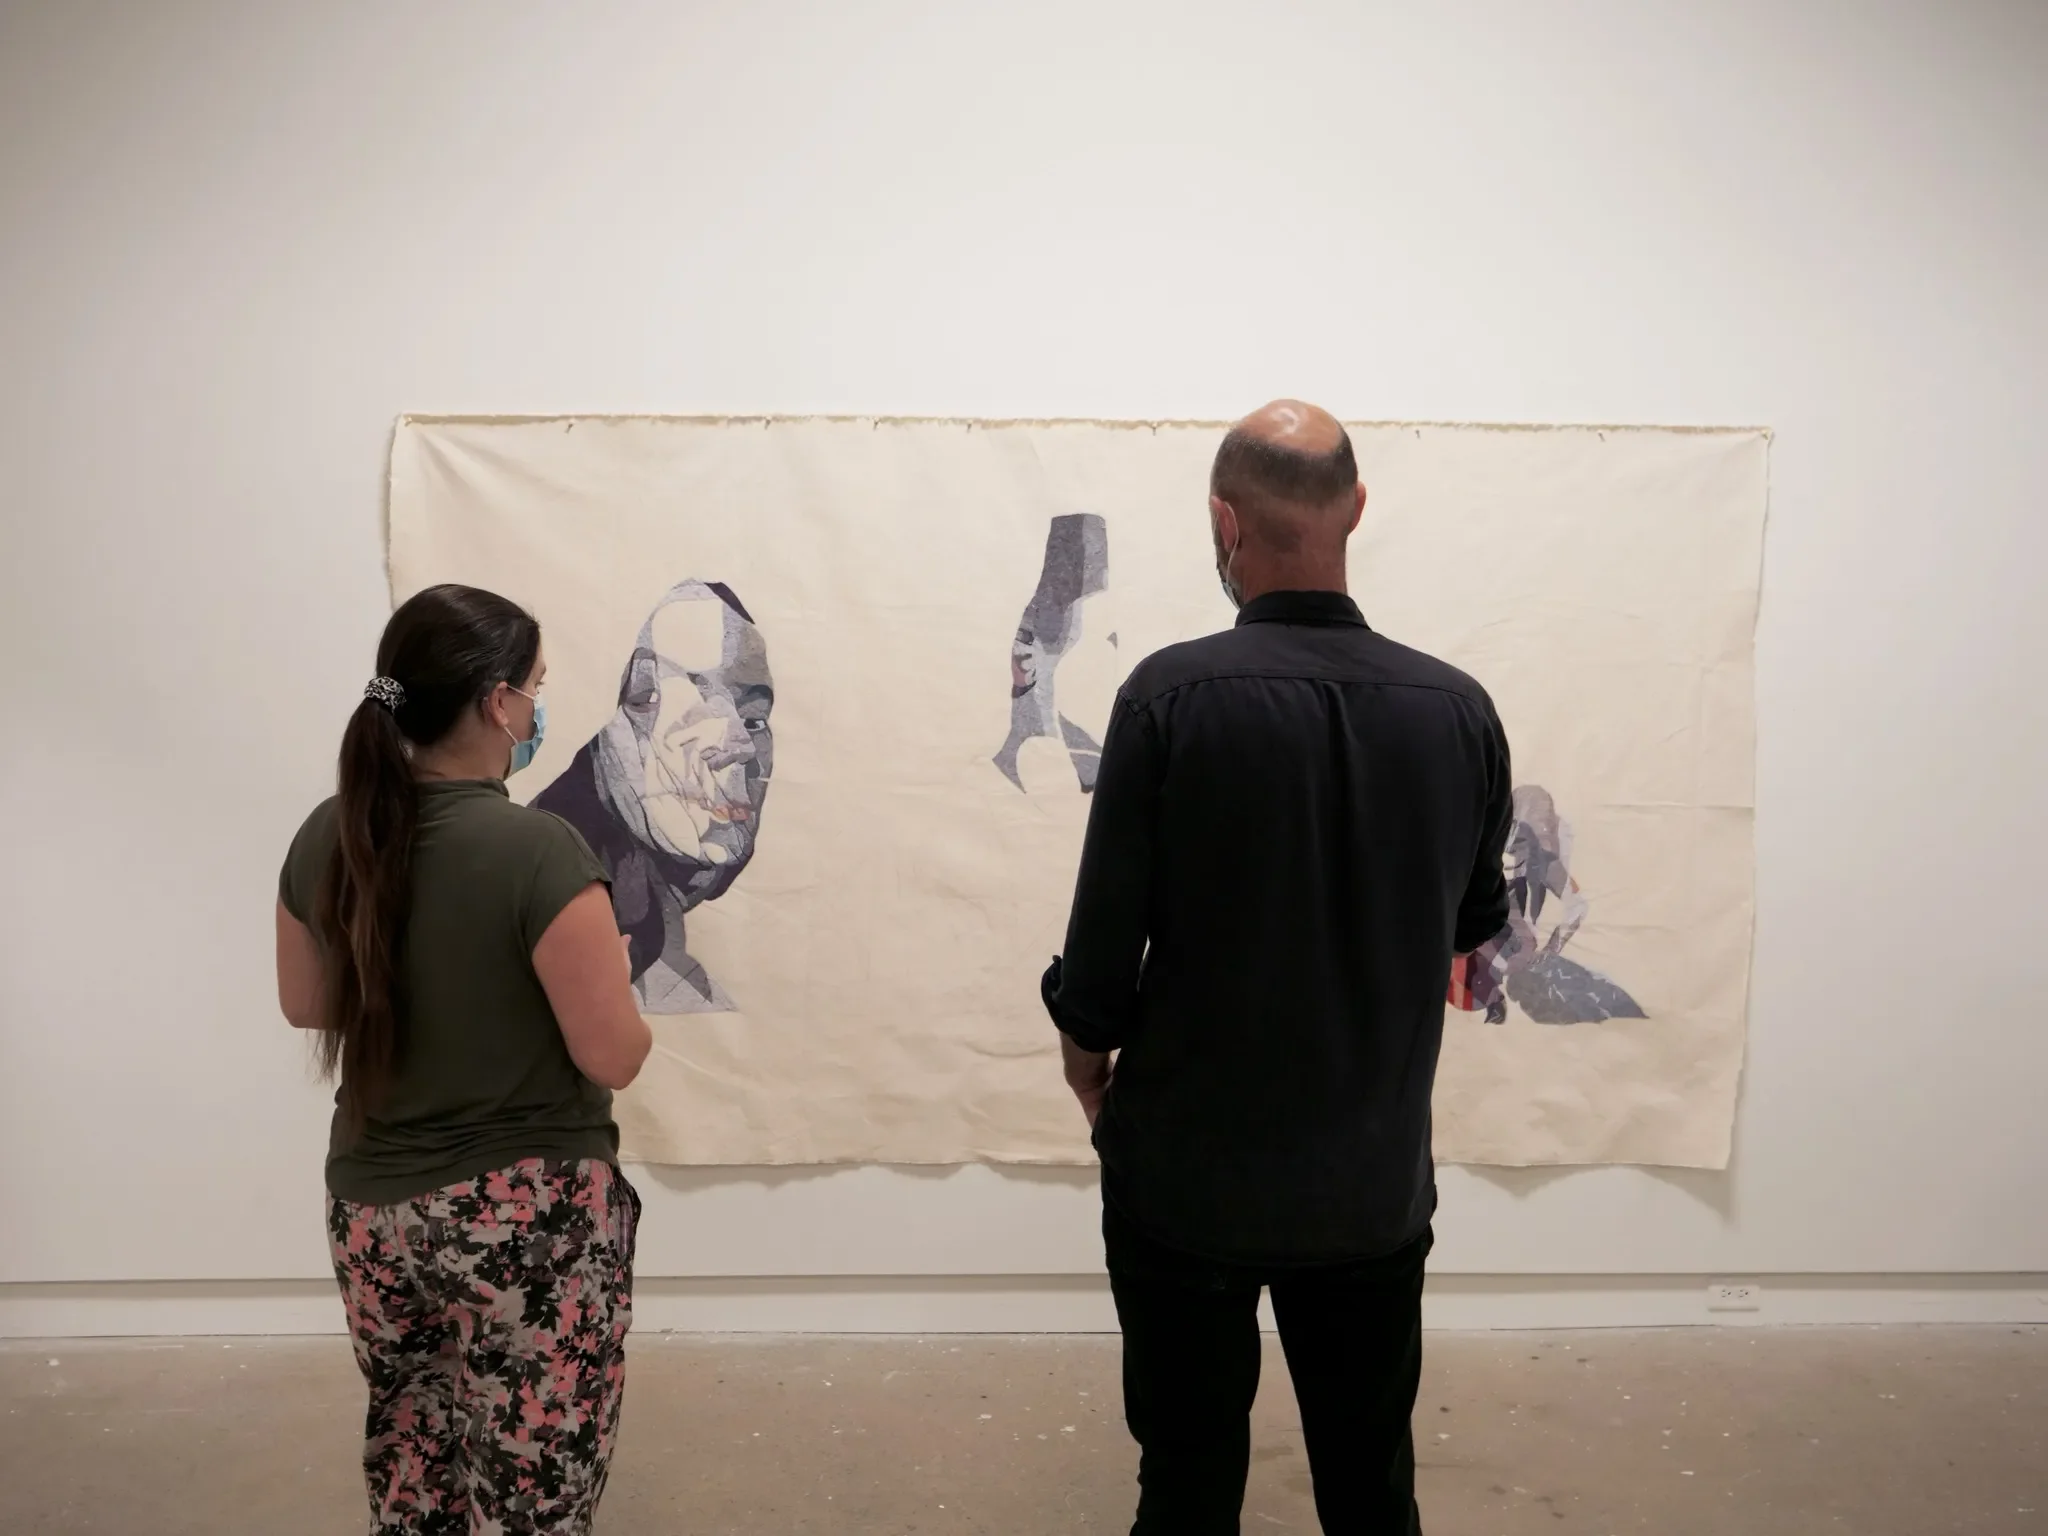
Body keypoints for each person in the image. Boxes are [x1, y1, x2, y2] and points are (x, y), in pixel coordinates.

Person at [1041, 401, 1514, 1535]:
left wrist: (1088, 1064)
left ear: (1224, 520)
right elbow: (1471, 924)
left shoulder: (1167, 698)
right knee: (1368, 1488)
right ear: (1357, 509)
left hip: (1186, 1179)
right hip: (1367, 1181)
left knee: (1186, 1486)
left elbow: (1102, 949)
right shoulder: (1458, 712)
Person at [274, 583, 653, 1535]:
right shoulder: (539, 852)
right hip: (524, 1221)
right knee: (532, 1491)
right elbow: (614, 1055)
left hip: (373, 1214)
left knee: (415, 1468)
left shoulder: (329, 832)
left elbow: (307, 1004)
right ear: (497, 702)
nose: (537, 709)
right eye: (535, 689)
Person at [534, 578, 773, 1013]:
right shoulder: (547, 900)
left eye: (755, 718)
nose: (740, 748)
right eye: (645, 699)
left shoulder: (677, 971)